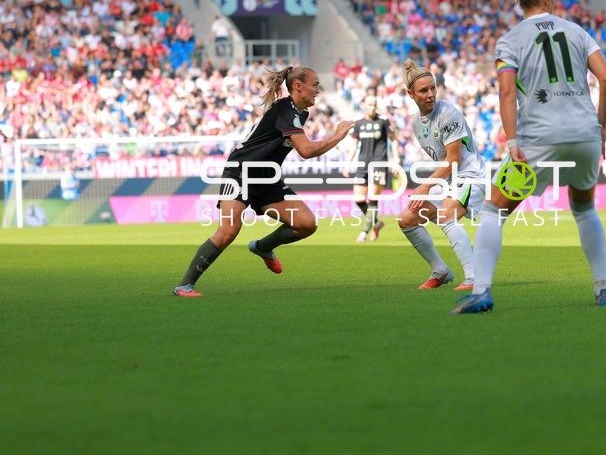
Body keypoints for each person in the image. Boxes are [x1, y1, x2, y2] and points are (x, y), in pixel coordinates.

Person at [451, 0, 606, 314]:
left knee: (493, 210)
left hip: (539, 138)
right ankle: (603, 289)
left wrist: (512, 141)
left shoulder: (510, 40)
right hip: (585, 134)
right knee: (585, 209)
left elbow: (507, 90)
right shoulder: (577, 32)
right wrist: (600, 127)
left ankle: (481, 290)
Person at [173, 66, 354, 297]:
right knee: (228, 230)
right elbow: (306, 150)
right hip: (240, 172)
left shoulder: (300, 113)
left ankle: (263, 247)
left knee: (306, 223)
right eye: (315, 84)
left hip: (266, 177)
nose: (318, 90)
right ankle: (184, 285)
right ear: (298, 86)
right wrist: (337, 136)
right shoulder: (285, 110)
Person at [398, 58, 487, 292]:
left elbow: (454, 160)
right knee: (406, 219)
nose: (430, 94)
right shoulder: (416, 123)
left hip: (470, 176)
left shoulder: (448, 113)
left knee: (447, 215)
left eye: (433, 88)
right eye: (423, 90)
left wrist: (426, 186)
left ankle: (474, 277)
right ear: (410, 94)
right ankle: (441, 271)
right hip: (448, 180)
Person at [343, 94, 401, 243]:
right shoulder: (358, 124)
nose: (372, 107)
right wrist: (348, 163)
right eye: (369, 104)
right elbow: (354, 145)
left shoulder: (383, 122)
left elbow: (393, 139)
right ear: (363, 105)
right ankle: (376, 223)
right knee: (359, 199)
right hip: (362, 164)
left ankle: (364, 232)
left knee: (373, 198)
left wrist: (396, 161)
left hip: (379, 163)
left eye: (374, 104)